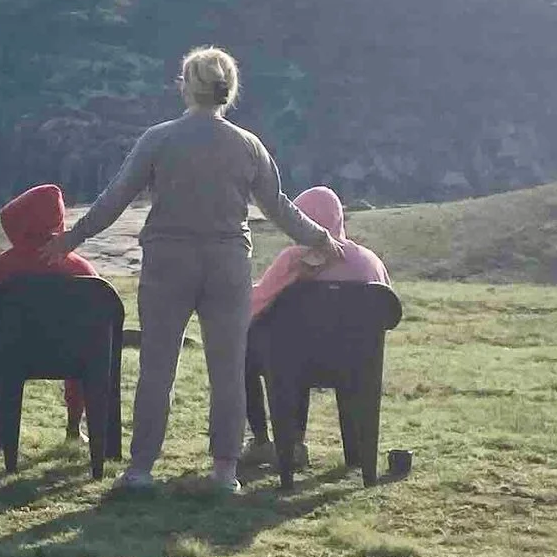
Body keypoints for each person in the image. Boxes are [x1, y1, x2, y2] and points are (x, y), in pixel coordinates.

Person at [57, 46, 334, 495]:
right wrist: (320, 237)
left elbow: (115, 199)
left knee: (157, 368)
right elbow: (279, 207)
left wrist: (71, 239)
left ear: (187, 86)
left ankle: (141, 469)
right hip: (227, 264)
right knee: (227, 371)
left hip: (168, 263)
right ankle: (225, 471)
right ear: (229, 91)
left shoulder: (159, 139)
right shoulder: (248, 145)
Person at [241, 185, 392, 470]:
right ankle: (356, 451)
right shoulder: (370, 262)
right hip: (358, 363)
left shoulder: (294, 260)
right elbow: (388, 312)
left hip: (297, 363)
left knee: (246, 352)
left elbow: (254, 305)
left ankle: (265, 442)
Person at [0, 182, 97, 442]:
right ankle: (74, 428)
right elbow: (98, 303)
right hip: (71, 354)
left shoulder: (5, 265)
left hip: (15, 352)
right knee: (81, 352)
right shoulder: (79, 266)